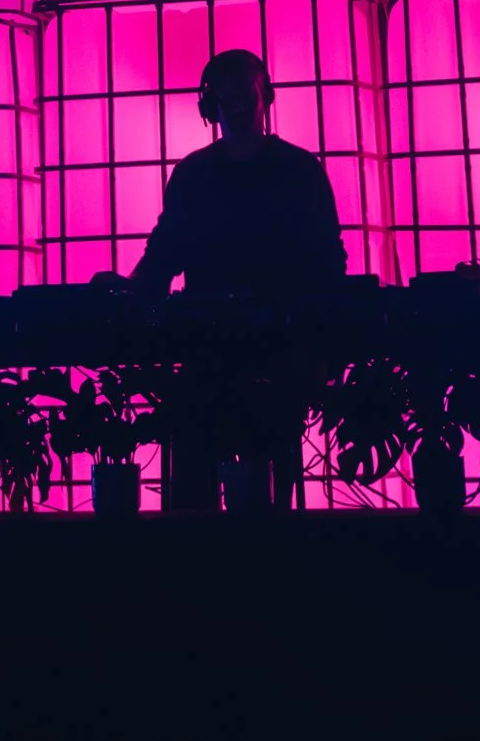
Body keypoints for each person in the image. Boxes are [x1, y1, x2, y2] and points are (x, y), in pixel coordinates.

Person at [129, 51, 345, 512]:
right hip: (266, 350)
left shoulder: (200, 173)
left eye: (242, 97)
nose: (238, 109)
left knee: (199, 465)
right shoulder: (297, 169)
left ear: (263, 97)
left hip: (234, 351)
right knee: (260, 477)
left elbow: (164, 258)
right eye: (229, 100)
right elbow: (165, 254)